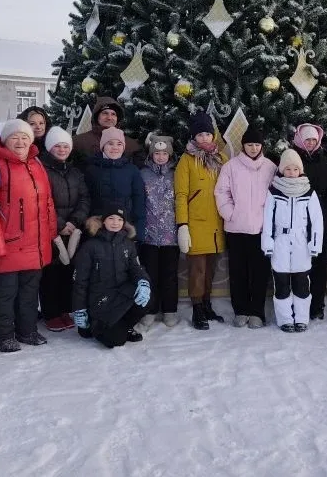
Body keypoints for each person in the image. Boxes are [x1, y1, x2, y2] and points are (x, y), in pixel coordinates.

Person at [0, 119, 57, 352]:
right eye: (14, 137)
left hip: (35, 243)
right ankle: (2, 335)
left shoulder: (37, 164)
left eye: (25, 137)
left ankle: (27, 330)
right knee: (5, 294)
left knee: (29, 292)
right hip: (8, 244)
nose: (20, 142)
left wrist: (50, 233)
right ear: (4, 139)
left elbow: (47, 202)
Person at [215, 125, 276, 328]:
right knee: (238, 272)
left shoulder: (270, 167)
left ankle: (257, 312)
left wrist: (270, 219)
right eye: (249, 144)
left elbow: (276, 196)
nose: (253, 148)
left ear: (262, 146)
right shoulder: (230, 167)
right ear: (243, 145)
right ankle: (240, 310)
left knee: (260, 273)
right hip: (236, 229)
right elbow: (221, 193)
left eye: (257, 144)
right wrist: (231, 214)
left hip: (261, 230)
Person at [71, 204, 151, 349]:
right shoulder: (90, 246)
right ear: (103, 221)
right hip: (99, 302)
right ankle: (97, 327)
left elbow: (135, 267)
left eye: (120, 219)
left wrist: (143, 281)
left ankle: (124, 326)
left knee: (148, 299)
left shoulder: (127, 244)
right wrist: (79, 309)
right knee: (116, 341)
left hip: (120, 295)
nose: (115, 223)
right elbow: (80, 282)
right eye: (111, 218)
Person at [175, 110, 228, 330]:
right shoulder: (186, 161)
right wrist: (183, 225)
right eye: (200, 135)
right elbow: (181, 194)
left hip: (217, 225)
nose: (204, 138)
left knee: (211, 269)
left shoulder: (222, 159)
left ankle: (207, 304)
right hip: (196, 225)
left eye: (208, 133)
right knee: (197, 271)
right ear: (194, 137)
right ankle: (197, 308)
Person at [262, 149, 324, 333]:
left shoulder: (308, 192)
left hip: (301, 243)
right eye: (287, 169)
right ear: (281, 170)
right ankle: (285, 319)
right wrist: (268, 243)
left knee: (301, 283)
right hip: (280, 242)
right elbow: (267, 219)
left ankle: (301, 319)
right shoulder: (274, 191)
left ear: (300, 170)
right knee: (281, 283)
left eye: (294, 169)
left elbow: (317, 220)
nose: (291, 172)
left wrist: (314, 245)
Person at [38, 126, 90, 332]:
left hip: (73, 230)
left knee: (68, 271)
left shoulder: (74, 171)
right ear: (50, 148)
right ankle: (51, 313)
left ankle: (64, 310)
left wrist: (74, 221)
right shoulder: (42, 169)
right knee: (51, 272)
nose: (62, 150)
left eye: (65, 146)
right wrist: (59, 225)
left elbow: (85, 197)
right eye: (57, 146)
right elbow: (42, 200)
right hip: (51, 229)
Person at [291, 123, 327, 320]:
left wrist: (324, 211)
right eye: (307, 140)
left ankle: (317, 305)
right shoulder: (293, 162)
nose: (310, 143)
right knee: (299, 266)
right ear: (301, 141)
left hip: (319, 222)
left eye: (313, 140)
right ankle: (298, 303)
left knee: (319, 267)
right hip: (297, 222)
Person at [140, 133, 180, 328]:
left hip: (170, 235)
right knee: (150, 274)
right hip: (149, 234)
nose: (161, 156)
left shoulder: (177, 173)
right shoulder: (143, 173)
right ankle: (150, 310)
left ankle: (170, 310)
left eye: (165, 153)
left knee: (169, 275)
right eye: (157, 153)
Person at [84, 126, 146, 241]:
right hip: (97, 229)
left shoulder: (132, 170)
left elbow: (139, 200)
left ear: (123, 147)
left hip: (124, 227)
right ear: (103, 146)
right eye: (110, 143)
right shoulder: (91, 169)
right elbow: (85, 198)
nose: (115, 148)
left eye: (119, 144)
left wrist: (139, 231)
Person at [72, 96, 144, 165]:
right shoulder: (78, 142)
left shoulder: (131, 144)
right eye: (105, 113)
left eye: (113, 114)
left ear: (117, 119)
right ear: (97, 116)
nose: (109, 117)